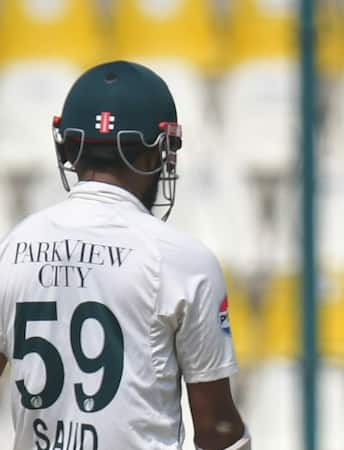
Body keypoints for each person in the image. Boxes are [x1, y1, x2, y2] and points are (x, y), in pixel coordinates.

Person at [0, 61, 250, 449]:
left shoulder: (14, 247)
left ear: (68, 147)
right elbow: (215, 427)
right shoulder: (184, 260)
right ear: (159, 152)